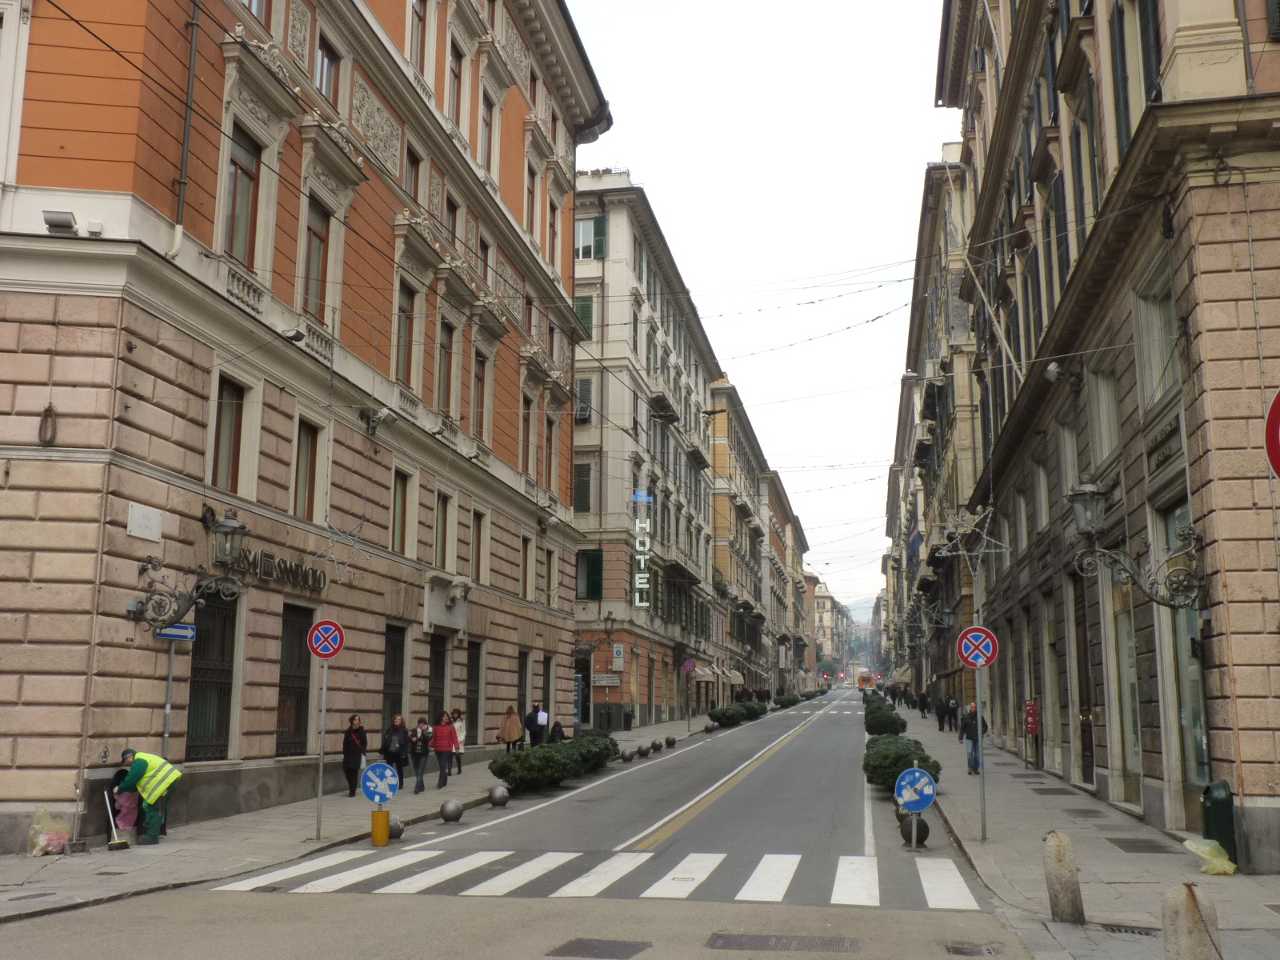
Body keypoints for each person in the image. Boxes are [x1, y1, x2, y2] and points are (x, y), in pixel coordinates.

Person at [113, 748, 181, 845]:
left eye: (127, 762)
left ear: (129, 757)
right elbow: (136, 782)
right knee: (153, 808)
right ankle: (153, 831)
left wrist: (119, 788)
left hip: (164, 783)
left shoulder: (139, 761)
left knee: (152, 808)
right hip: (167, 781)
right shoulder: (144, 757)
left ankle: (152, 837)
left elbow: (133, 778)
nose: (128, 765)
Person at [342, 715, 368, 797]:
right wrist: (344, 752)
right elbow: (344, 743)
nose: (357, 721)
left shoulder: (361, 731)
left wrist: (362, 752)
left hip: (357, 755)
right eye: (355, 719)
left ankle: (352, 791)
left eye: (358, 720)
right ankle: (351, 787)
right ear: (352, 721)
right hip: (348, 755)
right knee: (347, 772)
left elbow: (364, 743)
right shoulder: (348, 731)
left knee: (354, 773)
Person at [432, 711, 460, 789]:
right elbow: (433, 738)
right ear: (441, 717)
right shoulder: (435, 727)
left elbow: (454, 738)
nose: (446, 717)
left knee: (442, 765)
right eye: (445, 716)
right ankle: (444, 779)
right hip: (437, 749)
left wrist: (457, 748)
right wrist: (429, 745)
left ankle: (440, 783)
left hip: (447, 749)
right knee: (442, 766)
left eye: (447, 716)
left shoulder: (451, 727)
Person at [381, 714, 410, 786]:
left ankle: (400, 784)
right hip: (390, 752)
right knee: (389, 769)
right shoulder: (389, 729)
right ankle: (390, 783)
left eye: (398, 719)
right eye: (395, 719)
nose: (396, 720)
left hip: (399, 753)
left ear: (401, 721)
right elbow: (385, 740)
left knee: (399, 769)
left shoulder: (404, 730)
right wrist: (382, 751)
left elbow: (406, 743)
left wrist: (404, 753)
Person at [960, 703, 989, 775]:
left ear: (976, 708)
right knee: (970, 754)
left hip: (977, 738)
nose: (973, 708)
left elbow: (985, 726)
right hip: (969, 738)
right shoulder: (966, 717)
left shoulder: (979, 717)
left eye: (974, 707)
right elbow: (962, 728)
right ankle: (970, 768)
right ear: (970, 708)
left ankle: (976, 768)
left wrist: (981, 732)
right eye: (972, 707)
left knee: (977, 755)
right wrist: (960, 737)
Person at [409, 717, 433, 794]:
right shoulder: (414, 730)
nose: (421, 725)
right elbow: (410, 738)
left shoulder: (428, 731)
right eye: (420, 723)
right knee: (416, 770)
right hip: (414, 753)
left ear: (425, 724)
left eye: (423, 724)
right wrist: (412, 738)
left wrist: (424, 731)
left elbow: (428, 739)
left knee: (420, 771)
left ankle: (417, 787)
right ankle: (421, 785)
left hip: (423, 753)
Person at [450, 708, 467, 774]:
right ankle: (449, 770)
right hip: (451, 740)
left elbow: (463, 731)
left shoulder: (461, 721)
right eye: (454, 714)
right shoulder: (451, 721)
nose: (455, 715)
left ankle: (459, 768)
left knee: (457, 756)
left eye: (456, 714)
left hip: (458, 740)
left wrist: (461, 739)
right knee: (450, 756)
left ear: (458, 714)